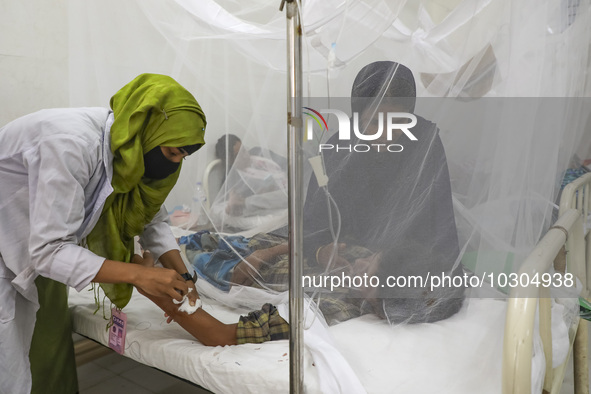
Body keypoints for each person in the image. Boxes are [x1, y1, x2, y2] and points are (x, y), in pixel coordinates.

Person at [139, 61, 464, 346]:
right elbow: (315, 219)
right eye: (373, 124)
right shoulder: (341, 146)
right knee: (252, 249)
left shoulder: (424, 144)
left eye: (397, 124)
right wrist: (320, 248)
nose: (384, 137)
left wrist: (391, 268)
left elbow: (438, 228)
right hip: (341, 252)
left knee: (268, 270)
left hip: (391, 262)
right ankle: (189, 254)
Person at [0, 73, 206, 394]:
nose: (176, 163)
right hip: (12, 248)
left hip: (38, 254)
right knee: (15, 363)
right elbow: (49, 251)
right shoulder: (70, 145)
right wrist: (139, 274)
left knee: (52, 349)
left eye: (184, 156)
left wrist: (184, 277)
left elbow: (151, 219)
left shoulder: (130, 151)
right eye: (172, 153)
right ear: (149, 130)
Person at [210, 134, 287, 228]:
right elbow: (230, 202)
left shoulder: (258, 151)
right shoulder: (234, 178)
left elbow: (288, 164)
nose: (246, 155)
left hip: (290, 187)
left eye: (244, 150)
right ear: (229, 160)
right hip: (279, 199)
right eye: (239, 154)